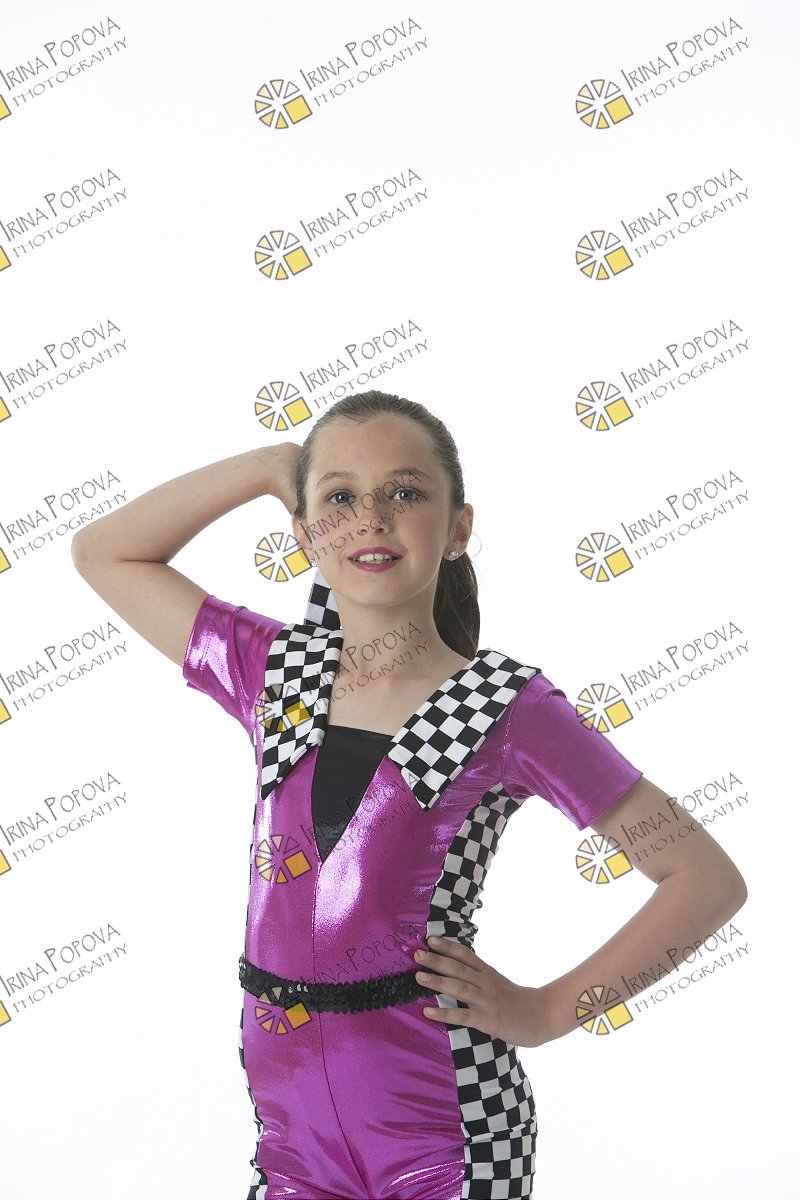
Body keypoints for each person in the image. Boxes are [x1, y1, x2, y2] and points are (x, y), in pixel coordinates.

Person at [71, 389, 747, 1199]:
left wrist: (546, 1011)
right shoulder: (274, 674)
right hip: (291, 1133)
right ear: (304, 534)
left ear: (458, 528)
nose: (372, 518)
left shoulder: (509, 709)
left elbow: (705, 879)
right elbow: (105, 553)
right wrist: (266, 467)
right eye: (341, 498)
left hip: (447, 1128)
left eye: (405, 492)